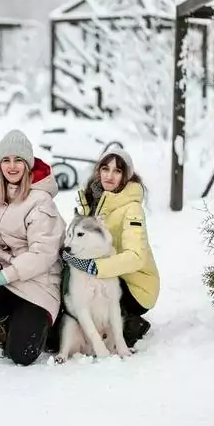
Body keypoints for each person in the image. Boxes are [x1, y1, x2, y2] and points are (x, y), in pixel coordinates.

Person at [0, 129, 65, 366]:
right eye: (6, 160)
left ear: (27, 164)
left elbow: (43, 253)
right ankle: (5, 322)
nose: (12, 166)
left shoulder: (41, 201)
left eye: (18, 160)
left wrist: (6, 274)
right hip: (2, 278)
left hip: (36, 286)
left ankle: (45, 327)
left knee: (22, 355)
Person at [60, 147, 160, 347]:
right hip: (111, 276)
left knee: (92, 292)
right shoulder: (94, 203)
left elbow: (135, 256)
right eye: (105, 169)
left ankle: (130, 324)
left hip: (136, 286)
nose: (110, 176)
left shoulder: (132, 209)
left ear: (126, 176)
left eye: (117, 171)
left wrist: (95, 267)